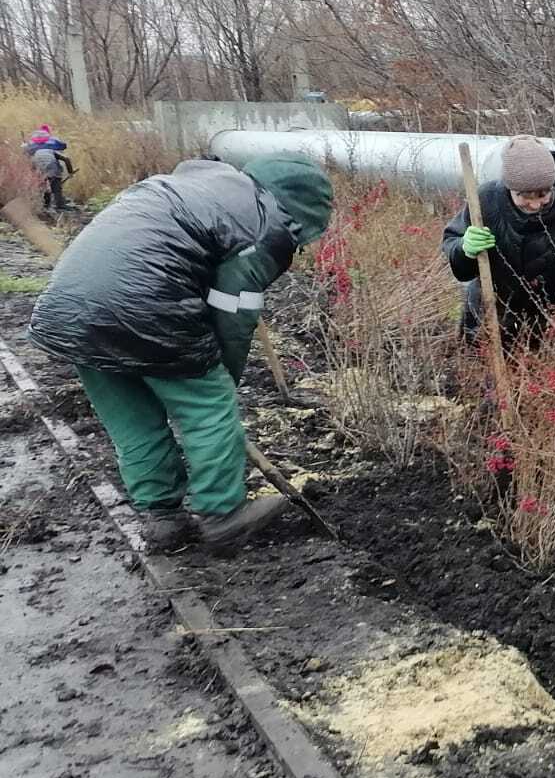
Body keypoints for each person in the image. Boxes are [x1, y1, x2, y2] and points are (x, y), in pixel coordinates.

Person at [29, 155, 334, 550]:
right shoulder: (262, 224)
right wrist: (223, 381)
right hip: (145, 304)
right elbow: (233, 315)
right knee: (207, 405)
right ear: (298, 208)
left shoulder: (195, 189)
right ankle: (223, 515)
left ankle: (162, 519)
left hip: (70, 310)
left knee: (132, 417)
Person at [441, 135, 555, 352]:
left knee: (528, 373)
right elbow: (458, 260)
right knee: (477, 370)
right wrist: (464, 249)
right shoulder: (485, 201)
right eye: (525, 196)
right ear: (509, 188)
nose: (535, 203)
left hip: (539, 322)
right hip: (486, 310)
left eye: (543, 194)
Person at [25, 125, 75, 213]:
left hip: (38, 168)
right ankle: (60, 205)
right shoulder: (51, 149)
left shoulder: (33, 151)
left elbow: (31, 164)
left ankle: (46, 205)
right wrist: (70, 172)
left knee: (43, 186)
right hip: (52, 167)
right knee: (56, 187)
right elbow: (66, 159)